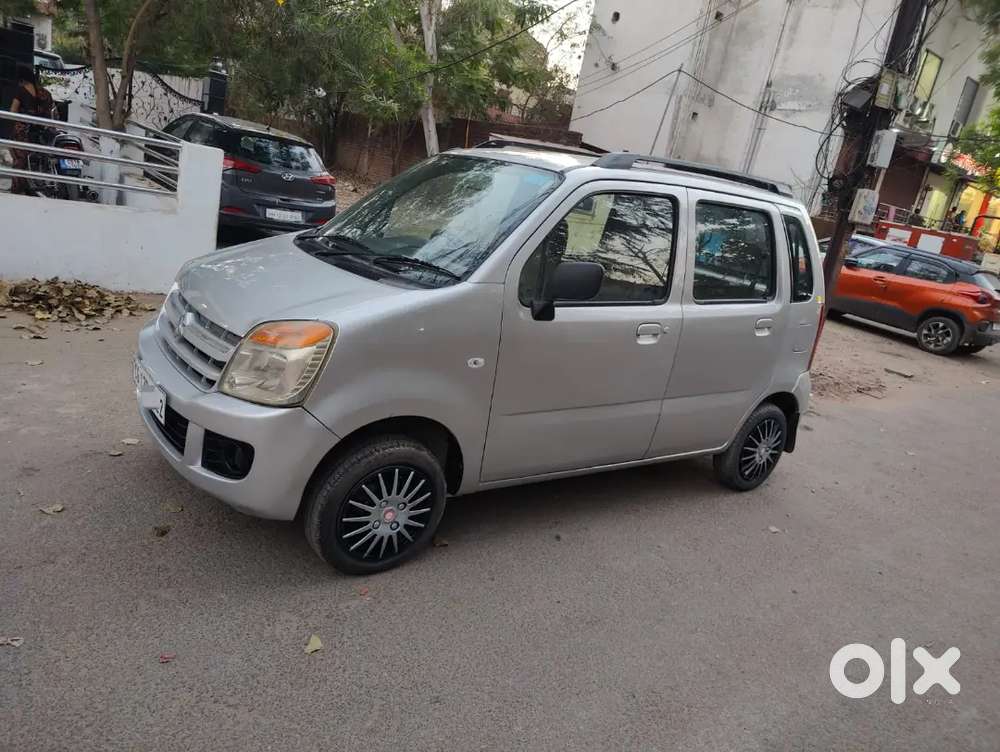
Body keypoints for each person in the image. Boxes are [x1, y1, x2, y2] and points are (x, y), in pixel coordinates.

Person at [8, 63, 55, 195]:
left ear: (21, 79)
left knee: (19, 161)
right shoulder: (46, 93)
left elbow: (13, 110)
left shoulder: (21, 90)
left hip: (24, 132)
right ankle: (31, 187)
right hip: (41, 132)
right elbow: (50, 112)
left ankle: (17, 190)